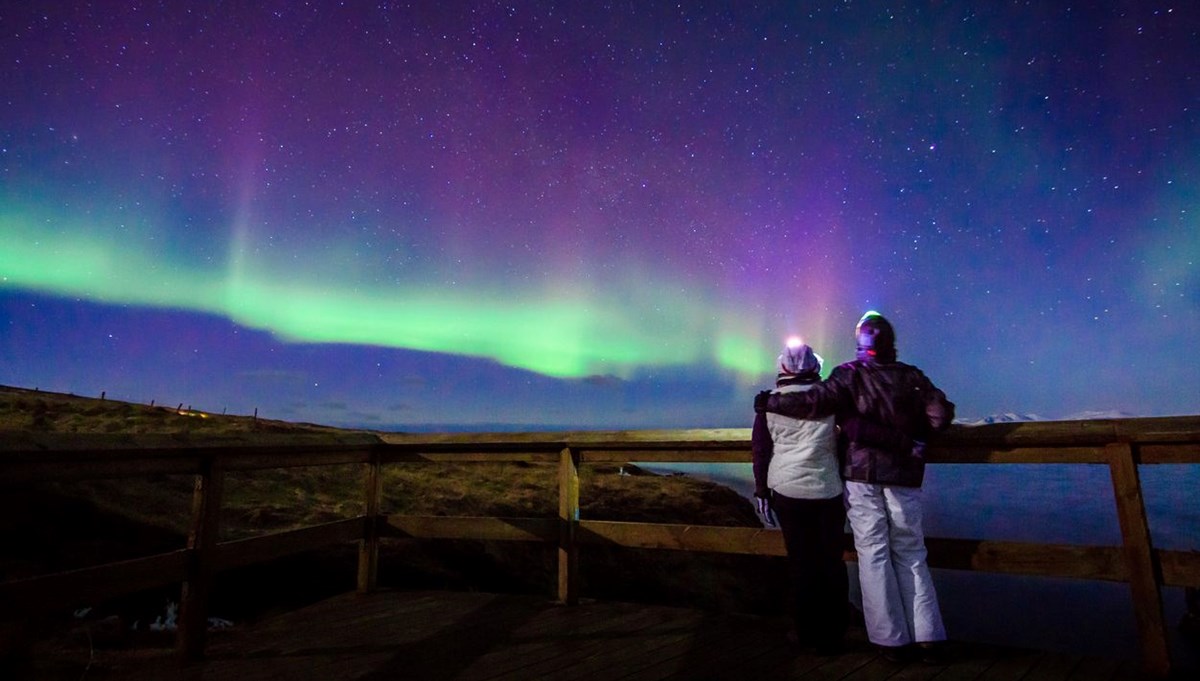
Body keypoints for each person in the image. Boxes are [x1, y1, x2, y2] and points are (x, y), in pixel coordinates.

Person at [755, 312, 955, 663]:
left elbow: (813, 402)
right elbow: (939, 417)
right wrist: (914, 439)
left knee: (873, 553)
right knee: (911, 551)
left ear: (860, 342)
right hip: (902, 477)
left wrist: (768, 403)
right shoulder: (913, 377)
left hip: (860, 475)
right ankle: (928, 636)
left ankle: (889, 640)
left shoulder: (848, 374)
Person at [751, 338, 848, 655]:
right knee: (831, 562)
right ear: (815, 367)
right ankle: (835, 633)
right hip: (828, 489)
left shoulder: (768, 404)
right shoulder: (832, 402)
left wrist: (762, 490)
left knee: (802, 563)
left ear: (781, 368)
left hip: (788, 491)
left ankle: (806, 632)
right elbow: (844, 445)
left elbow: (762, 450)